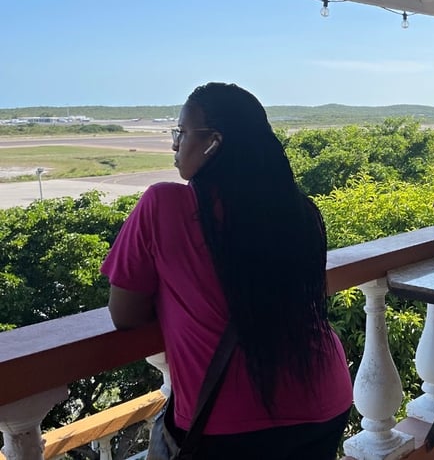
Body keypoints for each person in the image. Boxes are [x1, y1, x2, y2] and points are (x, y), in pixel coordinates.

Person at [101, 82, 353, 459]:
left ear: (213, 142)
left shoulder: (163, 204)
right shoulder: (299, 212)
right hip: (324, 400)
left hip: (228, 423)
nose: (175, 144)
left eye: (182, 133)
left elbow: (124, 315)